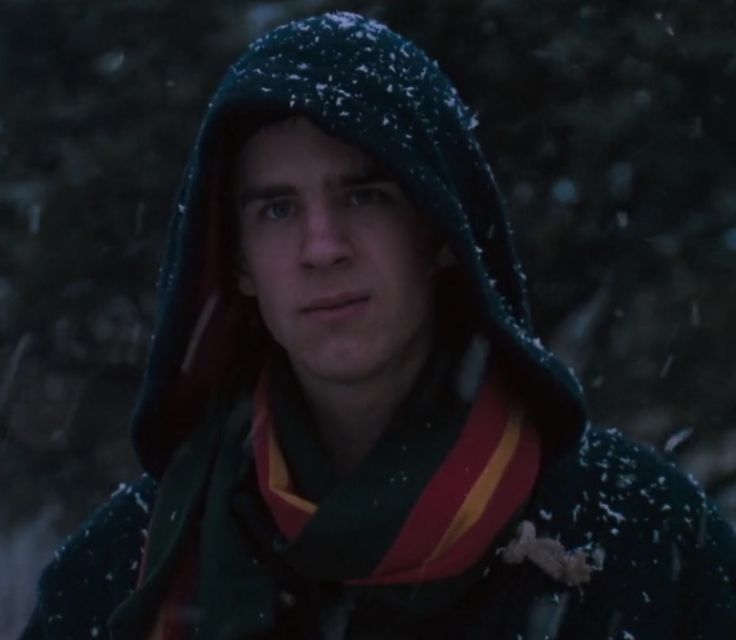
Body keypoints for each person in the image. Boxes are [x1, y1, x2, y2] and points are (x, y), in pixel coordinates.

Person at [21, 11, 736, 640]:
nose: (322, 247)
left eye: (363, 196)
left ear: (441, 231)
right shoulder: (128, 571)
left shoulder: (643, 541)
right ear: (236, 264)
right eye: (277, 209)